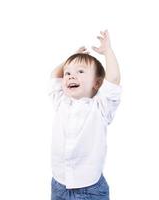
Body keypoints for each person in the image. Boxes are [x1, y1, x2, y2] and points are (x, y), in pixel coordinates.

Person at [49, 30, 121, 200]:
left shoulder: (100, 107)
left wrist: (108, 52)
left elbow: (114, 78)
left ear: (97, 83)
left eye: (80, 72)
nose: (71, 76)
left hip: (90, 189)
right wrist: (71, 58)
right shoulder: (61, 101)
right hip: (59, 184)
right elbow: (54, 75)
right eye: (68, 73)